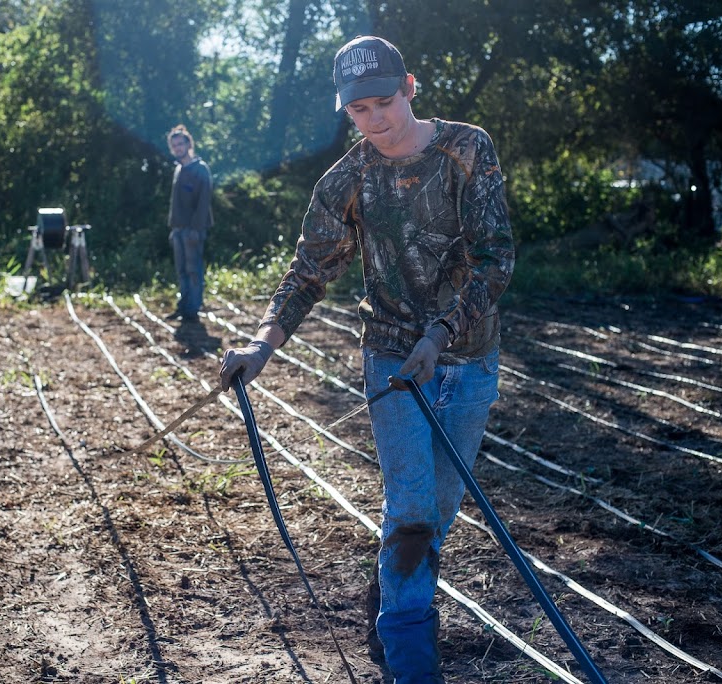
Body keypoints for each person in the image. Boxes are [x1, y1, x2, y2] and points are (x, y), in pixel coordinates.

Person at [219, 35, 515, 683]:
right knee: (410, 513)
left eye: (385, 101)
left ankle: (388, 605)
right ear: (344, 110)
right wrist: (260, 347)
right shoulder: (346, 180)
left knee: (437, 512)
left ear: (409, 87)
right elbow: (308, 272)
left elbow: (496, 258)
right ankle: (413, 669)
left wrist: (438, 337)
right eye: (360, 110)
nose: (375, 118)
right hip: (389, 359)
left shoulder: (468, 149)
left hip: (467, 356)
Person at [165, 124, 213, 321]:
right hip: (178, 229)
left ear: (188, 144)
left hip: (193, 230)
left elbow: (203, 203)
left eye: (180, 144)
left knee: (194, 271)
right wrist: (173, 227)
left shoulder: (200, 169)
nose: (177, 148)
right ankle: (183, 306)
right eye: (174, 145)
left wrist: (196, 229)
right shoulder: (178, 169)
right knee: (182, 270)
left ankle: (193, 310)